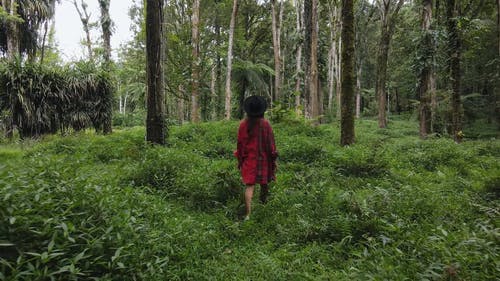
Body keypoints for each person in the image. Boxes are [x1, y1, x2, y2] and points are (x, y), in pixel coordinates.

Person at [234, 95, 278, 221]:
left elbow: (240, 144)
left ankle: (248, 214)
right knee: (264, 184)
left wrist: (240, 160)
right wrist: (273, 158)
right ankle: (263, 204)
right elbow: (271, 143)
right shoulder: (266, 124)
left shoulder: (243, 124)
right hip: (264, 159)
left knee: (249, 186)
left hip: (249, 160)